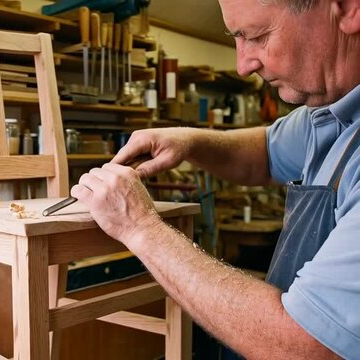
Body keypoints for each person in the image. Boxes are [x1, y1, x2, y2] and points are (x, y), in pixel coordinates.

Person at [71, 0, 360, 357]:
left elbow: (306, 346)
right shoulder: (331, 109)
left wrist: (140, 226)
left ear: (347, 8)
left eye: (256, 36)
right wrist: (189, 141)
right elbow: (266, 152)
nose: (243, 65)